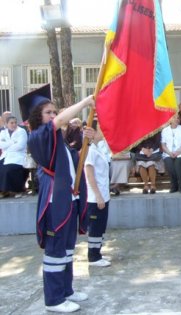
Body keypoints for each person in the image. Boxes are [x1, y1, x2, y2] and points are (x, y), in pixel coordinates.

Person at [20, 84, 95, 313]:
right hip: (55, 202)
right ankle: (53, 300)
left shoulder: (56, 139)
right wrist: (85, 102)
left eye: (54, 111)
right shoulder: (37, 136)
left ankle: (66, 291)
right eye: (48, 112)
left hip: (67, 198)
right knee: (55, 251)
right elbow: (60, 121)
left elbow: (74, 160)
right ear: (37, 117)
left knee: (67, 249)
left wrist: (87, 141)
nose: (53, 115)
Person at [84, 122, 111, 268]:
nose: (103, 131)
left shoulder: (99, 148)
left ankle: (97, 251)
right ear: (93, 132)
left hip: (104, 194)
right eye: (100, 129)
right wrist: (98, 196)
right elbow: (89, 175)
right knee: (95, 226)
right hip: (95, 197)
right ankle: (93, 256)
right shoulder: (90, 151)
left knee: (101, 225)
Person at [0, 116, 28, 198]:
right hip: (5, 156)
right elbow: (1, 145)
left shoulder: (21, 131)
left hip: (18, 156)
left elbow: (20, 146)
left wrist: (8, 145)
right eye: (11, 123)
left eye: (15, 122)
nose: (14, 124)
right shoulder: (3, 132)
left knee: (10, 169)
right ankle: (3, 191)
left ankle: (18, 190)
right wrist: (13, 143)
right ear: (7, 124)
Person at [161, 115, 181, 193]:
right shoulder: (165, 130)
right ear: (169, 119)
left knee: (178, 164)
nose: (177, 119)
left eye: (178, 118)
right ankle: (174, 185)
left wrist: (178, 152)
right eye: (174, 118)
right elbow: (163, 145)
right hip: (168, 153)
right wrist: (169, 153)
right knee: (170, 166)